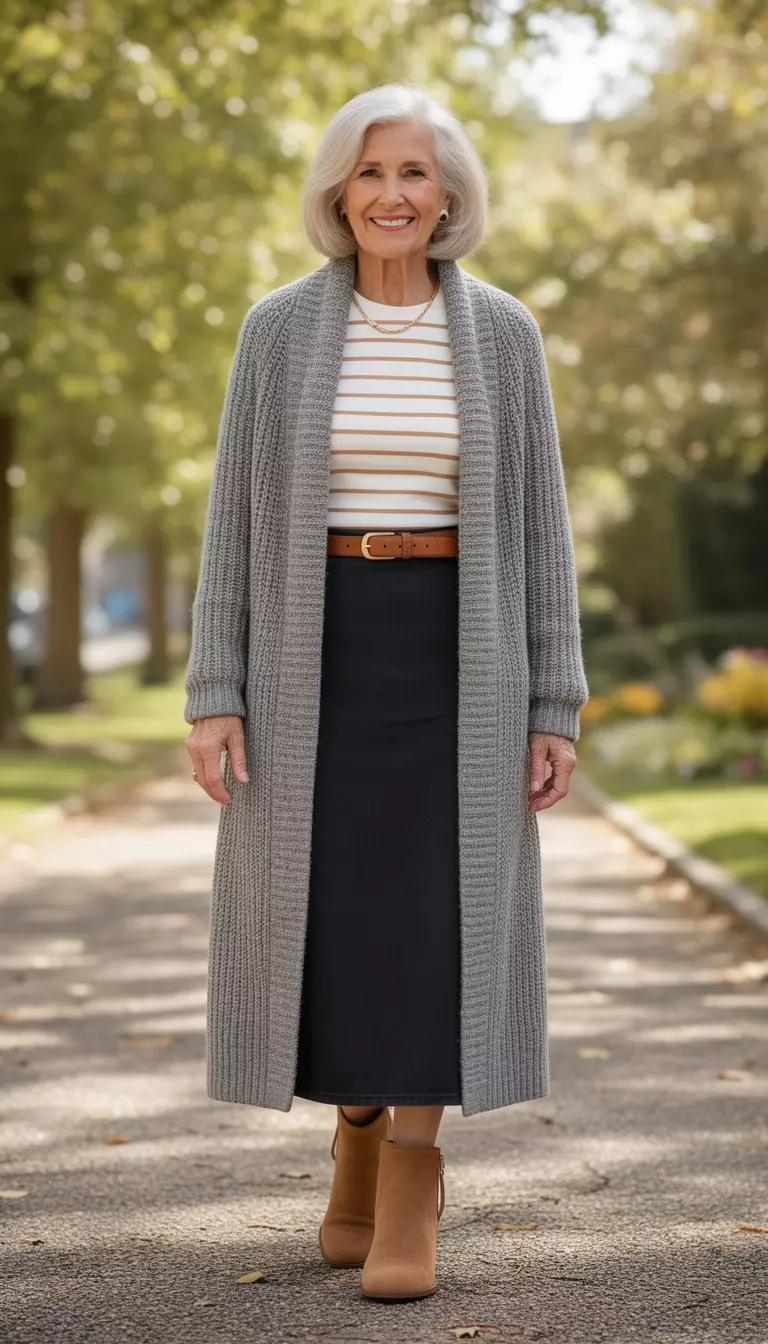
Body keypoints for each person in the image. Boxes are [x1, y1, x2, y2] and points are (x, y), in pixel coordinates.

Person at [183, 82, 589, 1303]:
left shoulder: (503, 336)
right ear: (337, 194)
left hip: (462, 647)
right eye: (370, 174)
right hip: (317, 645)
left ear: (449, 195)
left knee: (437, 912)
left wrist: (552, 702)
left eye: (415, 174)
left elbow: (539, 527)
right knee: (333, 910)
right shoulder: (279, 333)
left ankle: (413, 1162)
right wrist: (218, 688)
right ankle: (354, 1128)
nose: (392, 196)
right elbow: (233, 526)